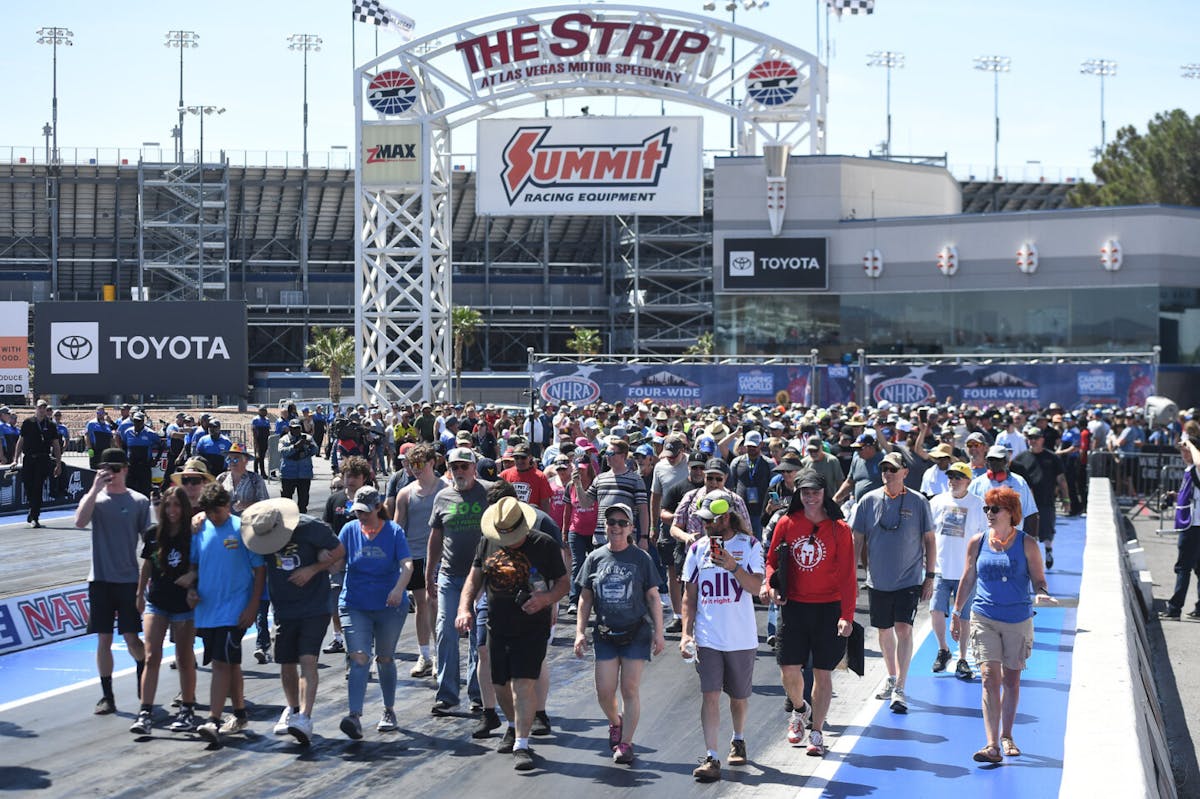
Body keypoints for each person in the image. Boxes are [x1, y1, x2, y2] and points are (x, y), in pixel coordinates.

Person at [455, 496, 570, 770]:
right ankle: (511, 724)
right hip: (498, 623)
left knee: (522, 684)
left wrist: (545, 600)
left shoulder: (544, 544)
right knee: (500, 686)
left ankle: (522, 743)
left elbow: (564, 584)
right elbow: (474, 578)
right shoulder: (487, 541)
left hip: (532, 627)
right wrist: (464, 607)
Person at [952, 486, 1057, 764]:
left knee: (1011, 680)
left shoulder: (1027, 544)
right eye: (987, 508)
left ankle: (1007, 735)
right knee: (988, 677)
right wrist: (956, 610)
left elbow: (1038, 579)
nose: (989, 513)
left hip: (1017, 619)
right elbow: (968, 576)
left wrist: (1042, 590)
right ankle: (991, 744)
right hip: (984, 616)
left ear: (1011, 513)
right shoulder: (977, 541)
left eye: (994, 509)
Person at [762, 469, 855, 757]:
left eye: (815, 491)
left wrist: (847, 615)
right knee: (788, 668)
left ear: (824, 493)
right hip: (794, 607)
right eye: (805, 492)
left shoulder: (840, 529)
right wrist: (770, 584)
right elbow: (771, 562)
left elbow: (849, 576)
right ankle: (800, 710)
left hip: (828, 608)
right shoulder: (786, 523)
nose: (810, 497)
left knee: (822, 673)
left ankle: (817, 731)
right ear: (799, 495)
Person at [680, 490, 765, 783]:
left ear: (725, 518)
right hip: (708, 637)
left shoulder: (750, 544)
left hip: (740, 637)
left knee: (739, 698)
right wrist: (685, 634)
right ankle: (712, 756)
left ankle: (738, 738)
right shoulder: (696, 550)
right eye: (702, 520)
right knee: (710, 695)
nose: (705, 526)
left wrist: (733, 566)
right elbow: (688, 597)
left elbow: (756, 587)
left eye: (710, 521)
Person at [573, 502, 666, 765]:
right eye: (611, 522)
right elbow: (585, 598)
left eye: (622, 523)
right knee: (604, 692)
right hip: (605, 633)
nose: (616, 527)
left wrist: (659, 633)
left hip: (635, 632)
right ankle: (616, 722)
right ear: (605, 525)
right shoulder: (595, 557)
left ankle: (626, 743)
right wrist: (580, 632)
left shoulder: (640, 558)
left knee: (629, 688)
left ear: (631, 528)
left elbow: (653, 597)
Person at [851, 451, 936, 714]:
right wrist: (852, 577)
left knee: (904, 629)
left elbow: (930, 540)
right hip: (878, 580)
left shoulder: (919, 502)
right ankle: (890, 676)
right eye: (884, 469)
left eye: (893, 469)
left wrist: (930, 576)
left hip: (908, 579)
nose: (888, 473)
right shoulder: (868, 501)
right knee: (884, 630)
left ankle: (900, 685)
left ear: (905, 473)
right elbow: (857, 540)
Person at [186, 482, 266, 747]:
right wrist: (192, 590)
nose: (212, 517)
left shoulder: (242, 528)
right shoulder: (199, 528)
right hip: (208, 610)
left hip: (236, 610)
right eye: (207, 512)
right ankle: (240, 713)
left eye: (216, 512)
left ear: (227, 505)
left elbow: (259, 570)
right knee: (230, 664)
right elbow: (195, 565)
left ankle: (213, 719)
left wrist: (253, 605)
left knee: (220, 662)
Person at [333, 485, 412, 739]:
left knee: (385, 658)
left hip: (388, 605)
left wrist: (399, 589)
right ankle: (354, 716)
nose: (362, 516)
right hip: (355, 602)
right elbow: (336, 560)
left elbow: (407, 564)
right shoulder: (349, 530)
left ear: (378, 508)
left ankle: (388, 709)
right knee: (358, 657)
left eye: (366, 512)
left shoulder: (394, 532)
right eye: (358, 512)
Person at [75, 448, 149, 716]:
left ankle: (144, 677)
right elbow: (80, 522)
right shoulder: (95, 499)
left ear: (125, 470)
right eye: (105, 468)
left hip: (128, 580)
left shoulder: (139, 501)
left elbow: (148, 542)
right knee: (103, 639)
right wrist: (93, 490)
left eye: (115, 469)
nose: (110, 473)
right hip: (100, 579)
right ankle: (107, 696)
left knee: (131, 637)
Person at [129, 485, 198, 735]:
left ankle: (187, 709)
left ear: (184, 508)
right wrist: (139, 594)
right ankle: (145, 711)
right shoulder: (152, 533)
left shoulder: (193, 534)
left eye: (177, 505)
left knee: (184, 658)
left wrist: (193, 578)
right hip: (156, 602)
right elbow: (147, 565)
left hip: (184, 606)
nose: (171, 510)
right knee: (151, 656)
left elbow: (201, 564)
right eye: (167, 505)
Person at [427, 446, 489, 715]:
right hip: (450, 575)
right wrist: (429, 571)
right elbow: (436, 537)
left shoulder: (489, 493)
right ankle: (447, 694)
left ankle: (477, 693)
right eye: (455, 467)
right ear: (449, 470)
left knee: (477, 635)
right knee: (445, 631)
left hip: (481, 577)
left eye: (465, 466)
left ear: (474, 468)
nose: (460, 471)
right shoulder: (442, 497)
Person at [928, 461, 987, 680]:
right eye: (951, 476)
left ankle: (962, 657)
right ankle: (943, 649)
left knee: (964, 616)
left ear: (968, 481)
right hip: (941, 568)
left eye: (958, 477)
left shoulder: (978, 504)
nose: (953, 481)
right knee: (936, 610)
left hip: (966, 571)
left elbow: (984, 537)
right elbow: (928, 533)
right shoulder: (937, 501)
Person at [393, 442, 442, 678]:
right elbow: (397, 528)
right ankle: (424, 655)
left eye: (420, 464)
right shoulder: (406, 493)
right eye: (412, 465)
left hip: (440, 556)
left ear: (432, 463)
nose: (415, 469)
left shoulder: (446, 489)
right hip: (414, 556)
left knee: (436, 604)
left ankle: (439, 655)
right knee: (421, 604)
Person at [322, 455, 373, 654]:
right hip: (337, 561)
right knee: (335, 600)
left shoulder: (372, 499)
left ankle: (366, 636)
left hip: (364, 560)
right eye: (347, 475)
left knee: (363, 603)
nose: (350, 480)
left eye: (355, 476)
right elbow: (326, 529)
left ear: (364, 478)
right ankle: (338, 638)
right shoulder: (335, 499)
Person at [576, 439, 651, 550]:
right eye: (606, 453)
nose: (607, 456)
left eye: (611, 453)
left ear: (623, 456)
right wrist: (578, 485)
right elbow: (585, 504)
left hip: (625, 540)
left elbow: (643, 510)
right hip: (601, 539)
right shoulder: (599, 478)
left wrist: (644, 537)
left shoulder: (635, 480)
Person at [1010, 426, 1068, 570]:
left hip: (1046, 501)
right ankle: (1030, 560)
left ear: (1042, 439)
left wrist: (1066, 499)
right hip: (1026, 503)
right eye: (1030, 438)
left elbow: (1061, 479)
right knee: (1029, 533)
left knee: (1047, 530)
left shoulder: (1052, 458)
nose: (1033, 441)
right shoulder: (1019, 460)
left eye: (1036, 438)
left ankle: (1048, 550)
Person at [1161, 426, 1200, 619]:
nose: (1184, 454)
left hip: (1194, 526)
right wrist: (1176, 496)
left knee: (1183, 568)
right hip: (1193, 524)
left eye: (1187, 451)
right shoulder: (1190, 470)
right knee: (1196, 568)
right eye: (1183, 451)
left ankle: (1174, 608)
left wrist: (1192, 445)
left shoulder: (1197, 467)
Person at [968, 444, 1040, 541]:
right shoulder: (977, 483)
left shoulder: (1019, 482)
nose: (993, 463)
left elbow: (1031, 513)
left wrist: (1032, 541)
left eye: (998, 460)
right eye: (990, 460)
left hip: (1013, 539)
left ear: (1006, 462)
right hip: (984, 540)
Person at [11, 400, 63, 528]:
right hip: (29, 459)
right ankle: (32, 508)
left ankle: (35, 516)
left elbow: (55, 445)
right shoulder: (28, 422)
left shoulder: (50, 425)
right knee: (28, 485)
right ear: (36, 408)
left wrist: (58, 463)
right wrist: (15, 459)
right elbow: (20, 441)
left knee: (38, 486)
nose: (42, 410)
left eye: (44, 408)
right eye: (40, 407)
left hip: (42, 459)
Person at [729, 430, 771, 539]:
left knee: (757, 541)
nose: (751, 448)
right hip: (740, 511)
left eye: (754, 446)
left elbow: (773, 487)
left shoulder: (769, 464)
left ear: (761, 445)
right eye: (749, 446)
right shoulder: (736, 462)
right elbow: (731, 485)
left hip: (760, 511)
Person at [279, 419, 318, 513]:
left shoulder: (307, 438)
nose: (296, 430)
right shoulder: (284, 439)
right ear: (289, 428)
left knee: (303, 500)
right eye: (293, 428)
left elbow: (316, 450)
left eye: (297, 428)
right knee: (286, 500)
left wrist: (309, 446)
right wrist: (295, 447)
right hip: (288, 474)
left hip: (304, 474)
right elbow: (282, 452)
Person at [251, 406, 272, 479]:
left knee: (262, 457)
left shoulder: (267, 419)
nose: (264, 412)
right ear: (259, 411)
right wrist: (256, 441)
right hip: (258, 440)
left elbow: (268, 430)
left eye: (265, 410)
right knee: (258, 457)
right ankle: (257, 472)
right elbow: (254, 431)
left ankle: (262, 472)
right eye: (262, 410)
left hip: (265, 440)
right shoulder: (255, 419)